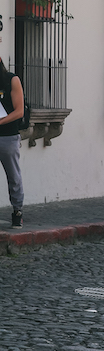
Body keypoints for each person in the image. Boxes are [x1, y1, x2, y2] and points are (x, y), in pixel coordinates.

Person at [0, 58, 24, 227]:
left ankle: (17, 211)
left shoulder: (11, 80)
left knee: (13, 176)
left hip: (8, 137)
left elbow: (19, 111)